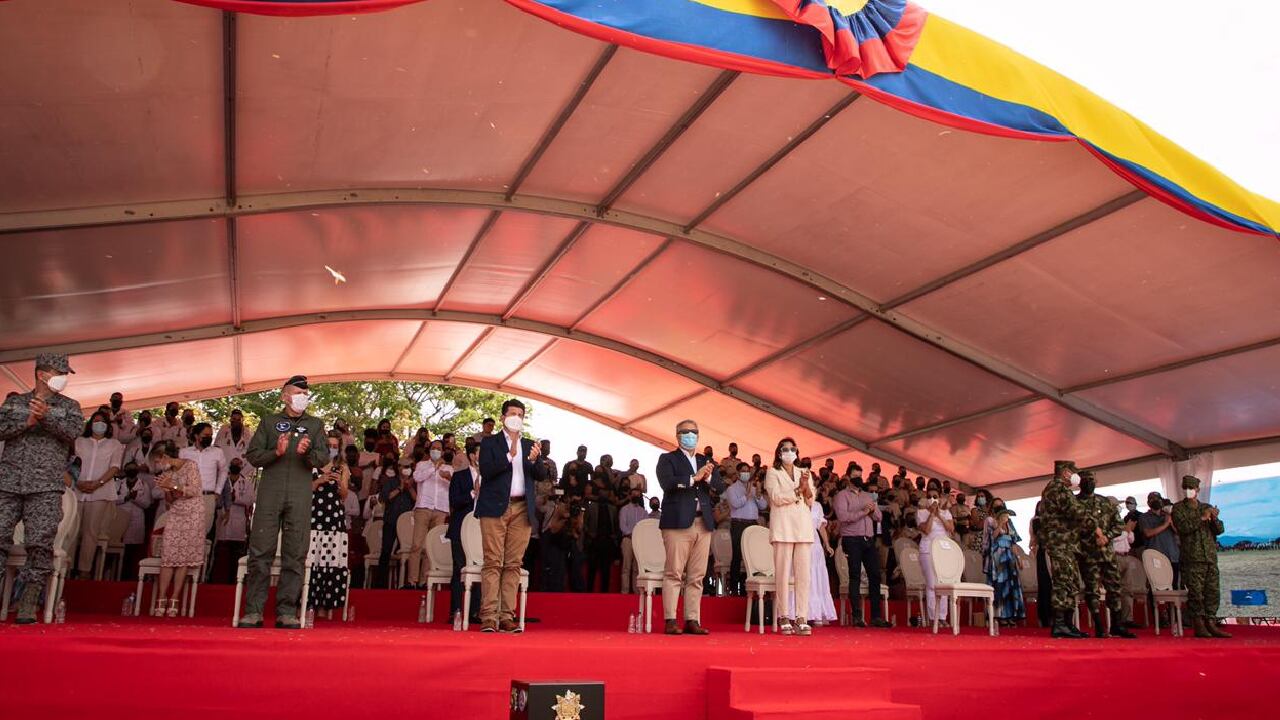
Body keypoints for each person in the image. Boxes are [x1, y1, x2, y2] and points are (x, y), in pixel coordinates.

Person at [239, 376, 329, 629]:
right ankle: (254, 610)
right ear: (285, 396)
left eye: (306, 393)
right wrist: (276, 452)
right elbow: (254, 456)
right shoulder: (269, 422)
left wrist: (308, 454)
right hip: (270, 493)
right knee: (260, 552)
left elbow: (323, 457)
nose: (303, 396)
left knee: (295, 553)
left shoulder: (315, 424)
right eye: (298, 392)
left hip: (300, 494)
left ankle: (286, 611)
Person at [0, 354, 84, 623]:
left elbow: (72, 433)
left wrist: (46, 417)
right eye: (60, 372)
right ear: (41, 374)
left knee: (40, 544)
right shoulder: (14, 403)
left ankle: (27, 603)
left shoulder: (70, 407)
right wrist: (27, 422)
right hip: (9, 482)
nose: (64, 378)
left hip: (46, 485)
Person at [475, 399, 546, 633]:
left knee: (513, 563)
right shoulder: (490, 443)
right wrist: (509, 455)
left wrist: (536, 460)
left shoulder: (529, 445)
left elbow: (541, 475)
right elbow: (486, 470)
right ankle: (488, 616)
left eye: (520, 414)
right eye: (512, 413)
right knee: (493, 561)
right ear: (503, 417)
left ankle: (507, 616)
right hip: (495, 507)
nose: (516, 417)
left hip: (521, 508)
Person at [656, 419, 724, 635]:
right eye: (685, 432)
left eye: (693, 432)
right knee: (674, 572)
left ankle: (692, 619)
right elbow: (667, 483)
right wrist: (693, 478)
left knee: (697, 575)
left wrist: (709, 475)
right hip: (677, 521)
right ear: (677, 436)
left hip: (702, 522)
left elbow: (720, 486)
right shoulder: (667, 458)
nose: (690, 435)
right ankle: (670, 619)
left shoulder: (706, 460)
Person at [1040, 460, 1106, 639]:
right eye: (1073, 472)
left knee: (1070, 582)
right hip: (1060, 543)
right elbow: (1076, 511)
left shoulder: (1053, 488)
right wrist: (1096, 528)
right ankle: (1060, 624)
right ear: (1066, 473)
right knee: (1063, 582)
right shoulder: (1058, 488)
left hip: (1066, 543)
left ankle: (1067, 624)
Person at [764, 437, 815, 636]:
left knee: (804, 575)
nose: (790, 452)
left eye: (793, 449)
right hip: (783, 527)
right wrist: (797, 491)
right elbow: (776, 497)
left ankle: (801, 616)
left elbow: (811, 500)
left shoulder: (804, 472)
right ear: (779, 452)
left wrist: (805, 486)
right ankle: (783, 615)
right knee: (783, 573)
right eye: (785, 449)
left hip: (802, 527)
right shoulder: (772, 472)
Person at [1075, 472, 1135, 638]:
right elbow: (1072, 529)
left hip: (1107, 553)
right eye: (1086, 480)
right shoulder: (1075, 503)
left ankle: (1117, 624)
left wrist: (1106, 537)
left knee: (1114, 587)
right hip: (1088, 554)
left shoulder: (1105, 502)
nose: (1089, 483)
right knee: (1092, 590)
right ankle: (1099, 626)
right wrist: (1091, 535)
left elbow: (1118, 525)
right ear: (1079, 483)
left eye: (1092, 480)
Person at [1171, 475, 1230, 638]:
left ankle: (1211, 622)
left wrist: (1215, 518)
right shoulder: (1178, 508)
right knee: (1196, 593)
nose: (1190, 491)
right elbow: (1182, 527)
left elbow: (1219, 530)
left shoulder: (1206, 506)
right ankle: (1198, 624)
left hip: (1209, 557)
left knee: (1212, 591)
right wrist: (1202, 517)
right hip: (1192, 558)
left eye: (1192, 488)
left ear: (1197, 490)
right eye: (1187, 488)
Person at [149, 441, 204, 617]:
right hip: (176, 512)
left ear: (165, 457)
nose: (158, 465)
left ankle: (174, 599)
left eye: (158, 461)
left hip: (193, 513)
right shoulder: (167, 473)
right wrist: (167, 490)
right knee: (169, 555)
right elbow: (170, 501)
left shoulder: (191, 465)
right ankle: (161, 598)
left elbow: (194, 490)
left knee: (184, 557)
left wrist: (173, 485)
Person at [73, 408, 124, 578]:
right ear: (90, 423)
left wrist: (97, 483)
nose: (99, 424)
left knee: (91, 532)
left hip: (100, 492)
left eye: (102, 421)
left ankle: (84, 571)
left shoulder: (114, 444)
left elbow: (115, 467)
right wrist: (77, 482)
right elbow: (70, 464)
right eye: (95, 420)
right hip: (77, 491)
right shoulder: (79, 441)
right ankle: (64, 568)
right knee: (71, 531)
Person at [834, 473, 890, 628]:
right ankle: (857, 616)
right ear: (848, 478)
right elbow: (843, 517)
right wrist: (863, 512)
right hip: (852, 539)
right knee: (855, 575)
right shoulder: (842, 496)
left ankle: (876, 617)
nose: (859, 478)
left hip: (868, 539)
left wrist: (872, 510)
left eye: (860, 476)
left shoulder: (867, 495)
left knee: (875, 575)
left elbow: (878, 517)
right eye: (855, 476)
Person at [308, 432, 351, 620]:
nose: (332, 449)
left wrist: (338, 481)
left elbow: (344, 495)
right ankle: (307, 602)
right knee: (312, 558)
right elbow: (306, 488)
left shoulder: (342, 467)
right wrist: (320, 480)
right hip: (314, 515)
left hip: (334, 517)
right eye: (329, 445)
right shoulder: (312, 464)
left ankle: (326, 605)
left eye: (335, 446)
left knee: (330, 559)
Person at [407, 439, 452, 589]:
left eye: (439, 448)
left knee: (430, 547)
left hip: (440, 510)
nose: (436, 451)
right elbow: (417, 478)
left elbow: (454, 487)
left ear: (443, 451)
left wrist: (449, 478)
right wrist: (434, 468)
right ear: (429, 450)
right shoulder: (421, 465)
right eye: (434, 448)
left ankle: (424, 580)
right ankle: (412, 581)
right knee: (417, 545)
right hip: (423, 508)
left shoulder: (448, 468)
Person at [447, 442, 481, 623]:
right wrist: (472, 494)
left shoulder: (491, 479)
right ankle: (456, 611)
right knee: (458, 569)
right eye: (480, 453)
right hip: (460, 528)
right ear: (471, 456)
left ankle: (475, 611)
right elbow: (454, 500)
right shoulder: (460, 476)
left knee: (481, 568)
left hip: (482, 530)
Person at [180, 422, 227, 550]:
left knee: (203, 533)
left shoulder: (217, 452)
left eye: (211, 435)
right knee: (186, 531)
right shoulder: (184, 452)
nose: (209, 437)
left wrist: (217, 492)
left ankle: (199, 566)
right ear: (196, 436)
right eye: (206, 435)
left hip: (207, 497)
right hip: (188, 497)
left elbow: (224, 471)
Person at [915, 485, 954, 628]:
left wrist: (939, 515)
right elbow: (926, 530)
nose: (933, 499)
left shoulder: (946, 513)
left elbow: (951, 529)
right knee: (932, 584)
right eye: (930, 496)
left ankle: (942, 616)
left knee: (943, 584)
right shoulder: (921, 513)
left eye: (935, 496)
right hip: (928, 550)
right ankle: (933, 617)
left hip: (943, 551)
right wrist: (931, 514)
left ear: (940, 498)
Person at [724, 462, 766, 596]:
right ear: (737, 473)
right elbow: (735, 504)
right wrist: (747, 495)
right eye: (743, 471)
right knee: (737, 555)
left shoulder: (754, 488)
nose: (746, 473)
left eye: (748, 471)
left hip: (753, 524)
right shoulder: (731, 489)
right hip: (738, 524)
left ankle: (748, 587)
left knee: (753, 556)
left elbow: (764, 506)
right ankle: (734, 589)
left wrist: (758, 495)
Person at [376, 450, 413, 588]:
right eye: (405, 466)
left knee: (405, 552)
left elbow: (417, 499)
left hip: (406, 525)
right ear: (399, 467)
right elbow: (386, 498)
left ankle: (403, 584)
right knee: (386, 551)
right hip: (391, 520)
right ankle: (381, 585)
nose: (407, 469)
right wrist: (400, 488)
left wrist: (409, 488)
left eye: (409, 466)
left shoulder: (414, 483)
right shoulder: (390, 481)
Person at [214, 460, 255, 584]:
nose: (235, 467)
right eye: (233, 464)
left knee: (235, 555)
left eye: (238, 465)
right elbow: (217, 497)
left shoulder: (246, 483)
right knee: (221, 553)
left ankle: (233, 581)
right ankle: (218, 580)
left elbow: (250, 500)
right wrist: (226, 499)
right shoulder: (222, 481)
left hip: (238, 520)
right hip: (223, 517)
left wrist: (234, 498)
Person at [985, 508, 1027, 628]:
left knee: (1011, 585)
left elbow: (1014, 544)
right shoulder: (993, 524)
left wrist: (1019, 558)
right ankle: (1000, 615)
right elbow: (991, 538)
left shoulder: (1011, 527)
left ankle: (1011, 615)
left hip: (1010, 557)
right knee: (1000, 585)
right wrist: (1000, 524)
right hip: (998, 556)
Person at [115, 459, 153, 580]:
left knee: (132, 552)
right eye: (129, 469)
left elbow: (147, 503)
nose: (131, 471)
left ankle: (129, 578)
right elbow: (113, 499)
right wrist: (125, 498)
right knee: (118, 548)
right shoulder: (119, 483)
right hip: (121, 516)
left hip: (137, 518)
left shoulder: (143, 484)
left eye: (133, 469)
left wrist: (136, 498)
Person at [805, 495, 838, 626]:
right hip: (801, 541)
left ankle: (817, 613)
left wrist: (827, 544)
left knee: (817, 578)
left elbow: (821, 527)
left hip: (815, 544)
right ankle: (803, 613)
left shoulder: (818, 506)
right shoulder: (796, 503)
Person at [618, 486, 648, 594]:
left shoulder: (643, 512)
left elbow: (645, 527)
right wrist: (632, 534)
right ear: (630, 496)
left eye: (638, 494)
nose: (636, 496)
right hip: (628, 540)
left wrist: (638, 536)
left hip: (639, 542)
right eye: (634, 494)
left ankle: (636, 592)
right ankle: (624, 591)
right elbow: (623, 526)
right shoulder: (624, 509)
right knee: (626, 566)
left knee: (637, 568)